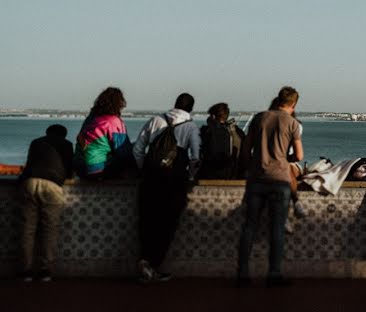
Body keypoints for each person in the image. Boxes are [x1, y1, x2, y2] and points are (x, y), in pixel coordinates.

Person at [237, 86, 304, 287]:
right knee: (277, 229)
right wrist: (284, 159)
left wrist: (255, 165)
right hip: (281, 181)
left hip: (257, 179)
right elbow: (299, 156)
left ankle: (242, 273)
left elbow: (245, 150)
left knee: (249, 227)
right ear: (293, 104)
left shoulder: (259, 118)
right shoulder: (292, 123)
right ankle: (274, 274)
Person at [132, 92, 201, 283]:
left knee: (147, 220)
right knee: (167, 223)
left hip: (150, 178)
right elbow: (195, 158)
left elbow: (138, 149)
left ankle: (145, 260)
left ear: (175, 104)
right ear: (191, 108)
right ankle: (153, 264)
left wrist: (142, 170)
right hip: (174, 181)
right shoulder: (191, 127)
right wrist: (191, 177)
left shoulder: (155, 120)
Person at [18, 124, 73, 282]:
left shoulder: (36, 142)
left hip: (29, 182)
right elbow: (69, 170)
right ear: (63, 135)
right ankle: (45, 270)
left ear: (47, 133)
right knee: (50, 229)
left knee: (27, 228)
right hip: (52, 185)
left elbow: (28, 165)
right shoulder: (66, 144)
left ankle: (25, 270)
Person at [74, 87, 133, 180]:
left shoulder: (90, 119)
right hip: (98, 170)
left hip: (80, 169)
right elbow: (123, 152)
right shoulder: (113, 121)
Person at [198, 102, 245, 179]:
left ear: (213, 116)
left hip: (209, 172)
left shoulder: (206, 131)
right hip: (231, 172)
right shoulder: (236, 131)